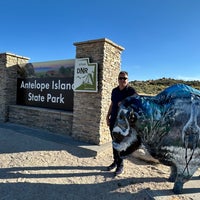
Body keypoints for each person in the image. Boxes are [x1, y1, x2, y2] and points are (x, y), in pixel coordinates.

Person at [106, 71, 138, 176]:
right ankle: (115, 161)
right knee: (114, 142)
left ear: (127, 80)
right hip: (114, 119)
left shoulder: (131, 91)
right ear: (118, 79)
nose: (122, 80)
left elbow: (136, 104)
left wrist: (125, 103)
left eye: (125, 78)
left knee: (121, 143)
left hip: (124, 122)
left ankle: (120, 165)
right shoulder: (114, 91)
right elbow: (112, 104)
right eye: (121, 78)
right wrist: (107, 116)